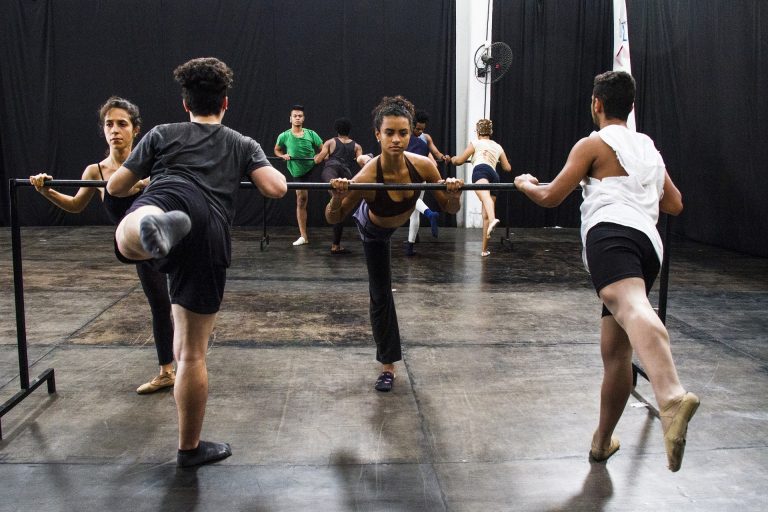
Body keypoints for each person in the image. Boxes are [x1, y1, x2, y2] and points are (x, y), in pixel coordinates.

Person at [513, 70, 698, 472]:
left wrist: (525, 184)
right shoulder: (648, 147)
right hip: (647, 245)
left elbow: (551, 195)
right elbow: (675, 204)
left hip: (610, 234)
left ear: (596, 103)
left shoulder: (593, 144)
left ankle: (670, 395)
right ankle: (601, 442)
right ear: (630, 107)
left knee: (630, 306)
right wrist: (639, 190)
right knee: (616, 353)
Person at [107, 57, 287, 467]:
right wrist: (249, 165)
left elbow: (116, 186)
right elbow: (275, 188)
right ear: (224, 103)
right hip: (211, 233)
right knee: (191, 353)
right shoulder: (242, 142)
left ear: (185, 104)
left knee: (128, 231)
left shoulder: (161, 134)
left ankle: (154, 227)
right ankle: (188, 449)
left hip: (171, 196)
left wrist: (143, 175)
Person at [29, 97, 176, 395]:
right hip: (138, 248)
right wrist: (44, 189)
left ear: (136, 129)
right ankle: (168, 372)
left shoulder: (152, 165)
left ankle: (186, 365)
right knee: (160, 304)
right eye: (109, 124)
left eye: (122, 124)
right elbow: (74, 205)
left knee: (184, 301)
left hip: (169, 237)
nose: (115, 130)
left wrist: (148, 184)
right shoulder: (95, 171)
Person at [325, 96, 464, 392]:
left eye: (403, 133)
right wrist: (336, 197)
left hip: (398, 221)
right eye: (389, 133)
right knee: (380, 293)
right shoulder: (368, 175)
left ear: (412, 133)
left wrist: (453, 192)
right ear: (378, 134)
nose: (397, 139)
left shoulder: (425, 167)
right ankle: (387, 367)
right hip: (372, 230)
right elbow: (332, 216)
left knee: (384, 289)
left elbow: (450, 209)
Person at [450, 119, 512, 257]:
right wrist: (498, 159)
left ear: (478, 132)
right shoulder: (497, 146)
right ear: (491, 132)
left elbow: (459, 161)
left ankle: (493, 219)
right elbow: (507, 168)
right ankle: (484, 250)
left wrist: (453, 159)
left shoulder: (475, 143)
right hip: (494, 175)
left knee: (485, 199)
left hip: (481, 171)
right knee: (485, 213)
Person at [274, 104, 323, 246]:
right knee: (301, 200)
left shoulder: (311, 133)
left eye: (300, 116)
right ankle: (304, 236)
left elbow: (323, 148)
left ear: (303, 118)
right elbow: (277, 149)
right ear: (290, 118)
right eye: (295, 116)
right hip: (297, 171)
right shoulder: (284, 135)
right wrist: (282, 155)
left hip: (313, 168)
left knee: (331, 190)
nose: (297, 118)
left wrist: (319, 156)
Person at [313, 117, 363, 254]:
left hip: (331, 170)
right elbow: (361, 162)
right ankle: (336, 245)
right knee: (340, 206)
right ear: (349, 130)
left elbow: (318, 160)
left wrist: (319, 156)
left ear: (336, 130)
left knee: (337, 205)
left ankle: (336, 245)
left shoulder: (330, 142)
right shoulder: (357, 146)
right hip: (346, 174)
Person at [403, 128, 439, 256]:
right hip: (422, 175)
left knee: (412, 202)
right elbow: (433, 162)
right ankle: (410, 248)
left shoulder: (403, 141)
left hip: (408, 175)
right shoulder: (424, 143)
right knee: (414, 212)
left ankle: (429, 213)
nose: (419, 131)